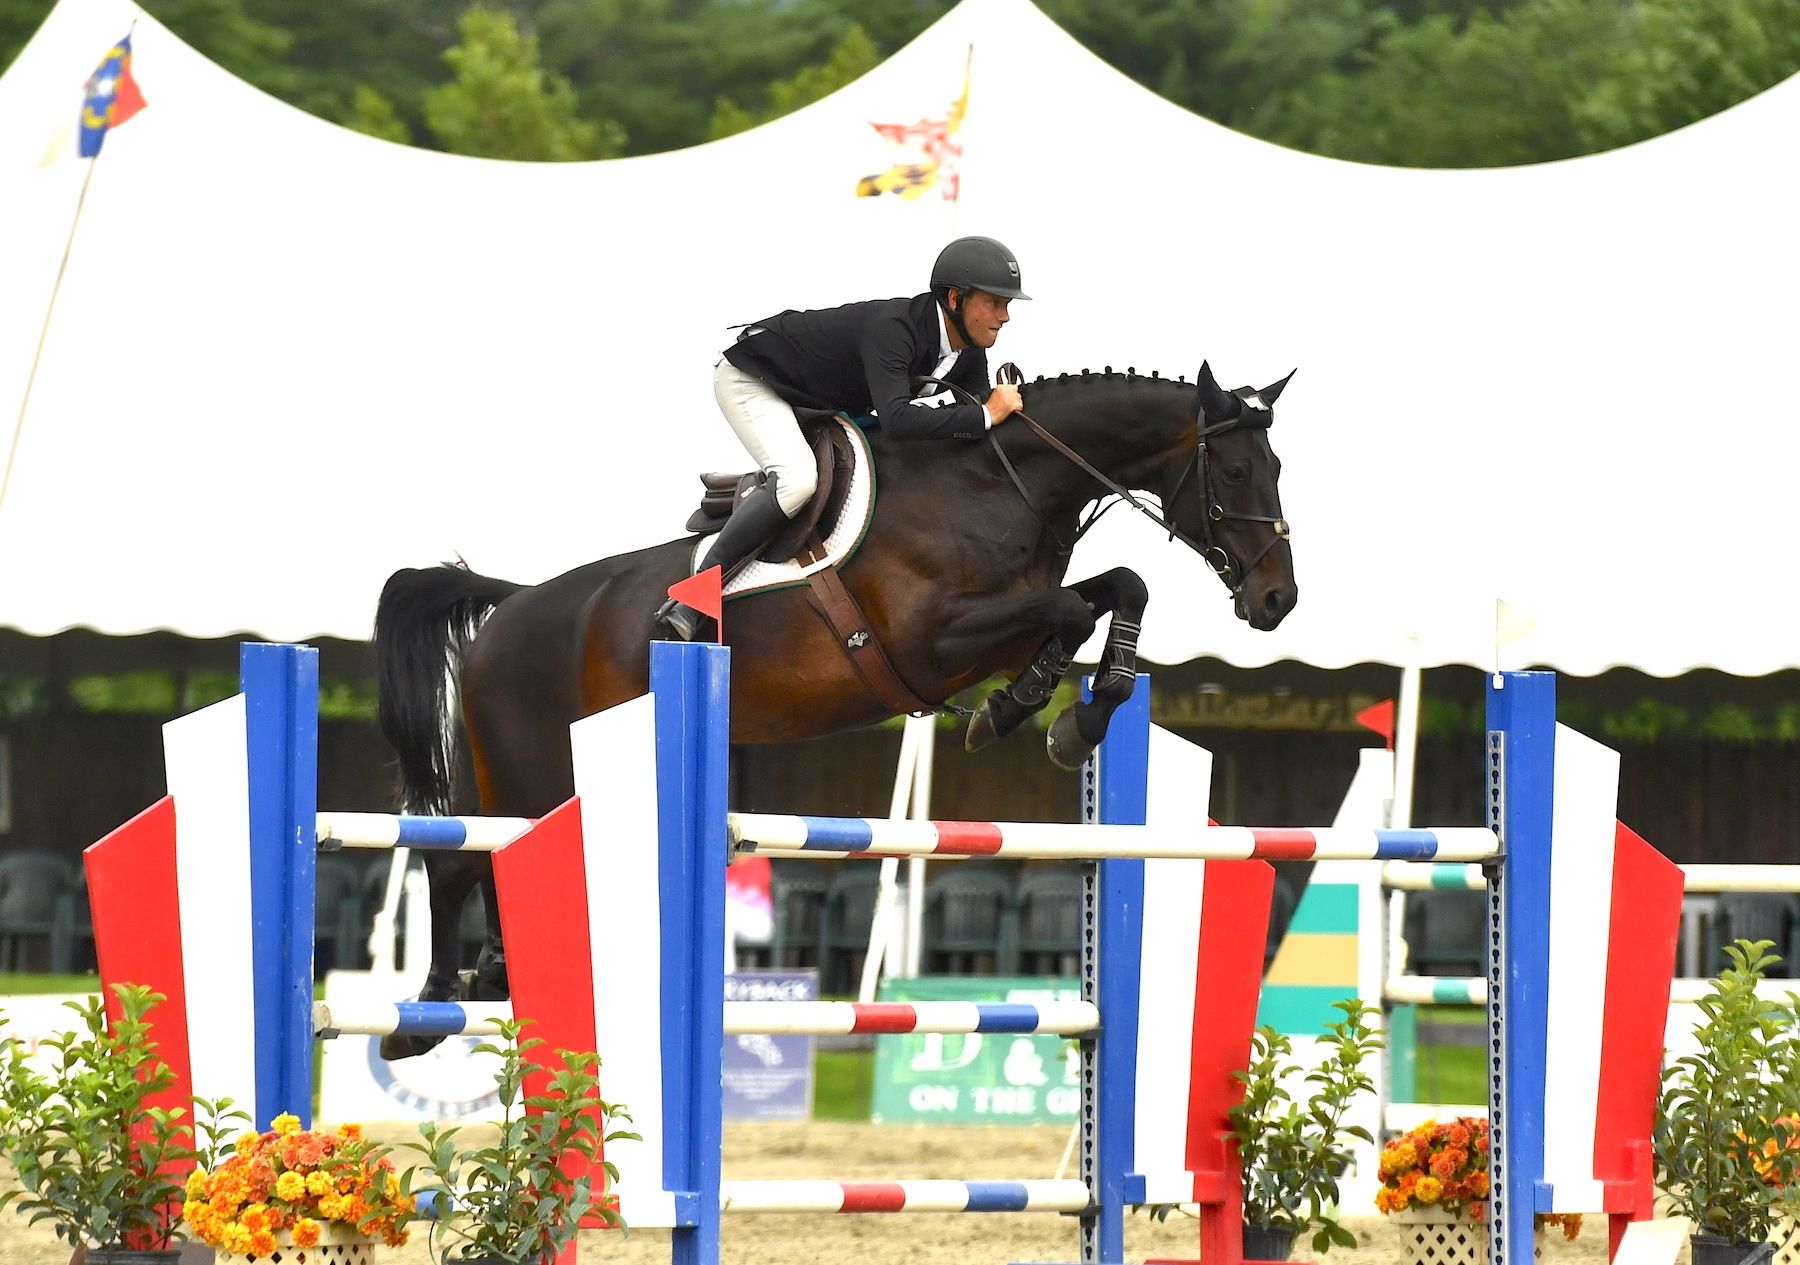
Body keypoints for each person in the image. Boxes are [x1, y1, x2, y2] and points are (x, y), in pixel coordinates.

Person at [654, 235, 1031, 641]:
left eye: (1006, 304)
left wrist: (996, 417)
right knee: (798, 481)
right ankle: (693, 596)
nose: (1004, 316)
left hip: (818, 399)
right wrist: (986, 413)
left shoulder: (968, 351)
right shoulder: (896, 330)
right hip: (754, 379)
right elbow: (901, 420)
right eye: (994, 303)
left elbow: (972, 422)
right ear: (955, 299)